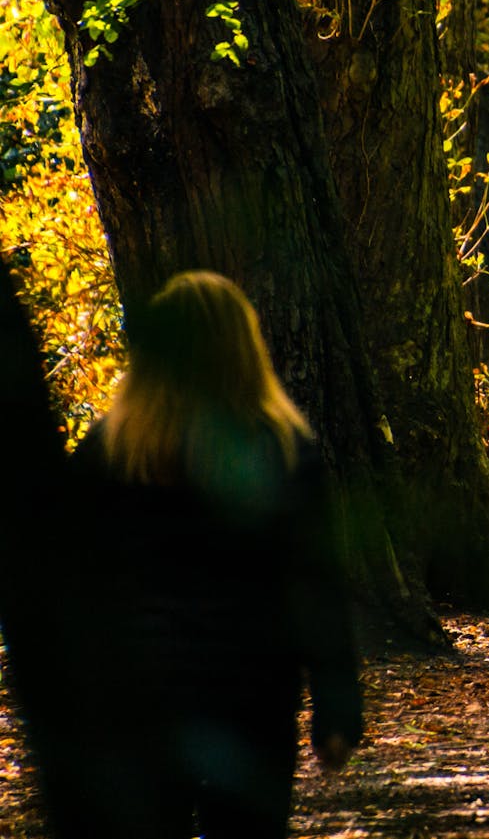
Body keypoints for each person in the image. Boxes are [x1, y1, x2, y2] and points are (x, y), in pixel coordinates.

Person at [64, 270, 362, 839]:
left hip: (139, 692)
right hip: (250, 689)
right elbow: (316, 585)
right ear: (245, 349)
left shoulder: (109, 451)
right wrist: (337, 708)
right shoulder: (284, 450)